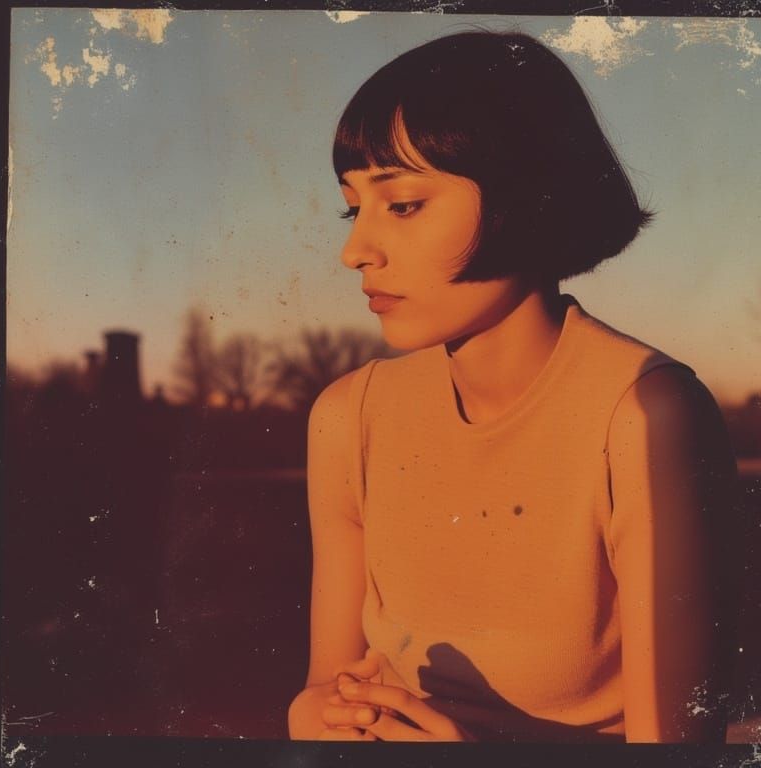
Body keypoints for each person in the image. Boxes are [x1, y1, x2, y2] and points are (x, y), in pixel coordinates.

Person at [287, 29, 738, 743]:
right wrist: (318, 715)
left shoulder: (645, 414)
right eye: (353, 208)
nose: (354, 251)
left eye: (402, 204)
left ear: (527, 194)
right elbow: (324, 684)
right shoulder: (348, 416)